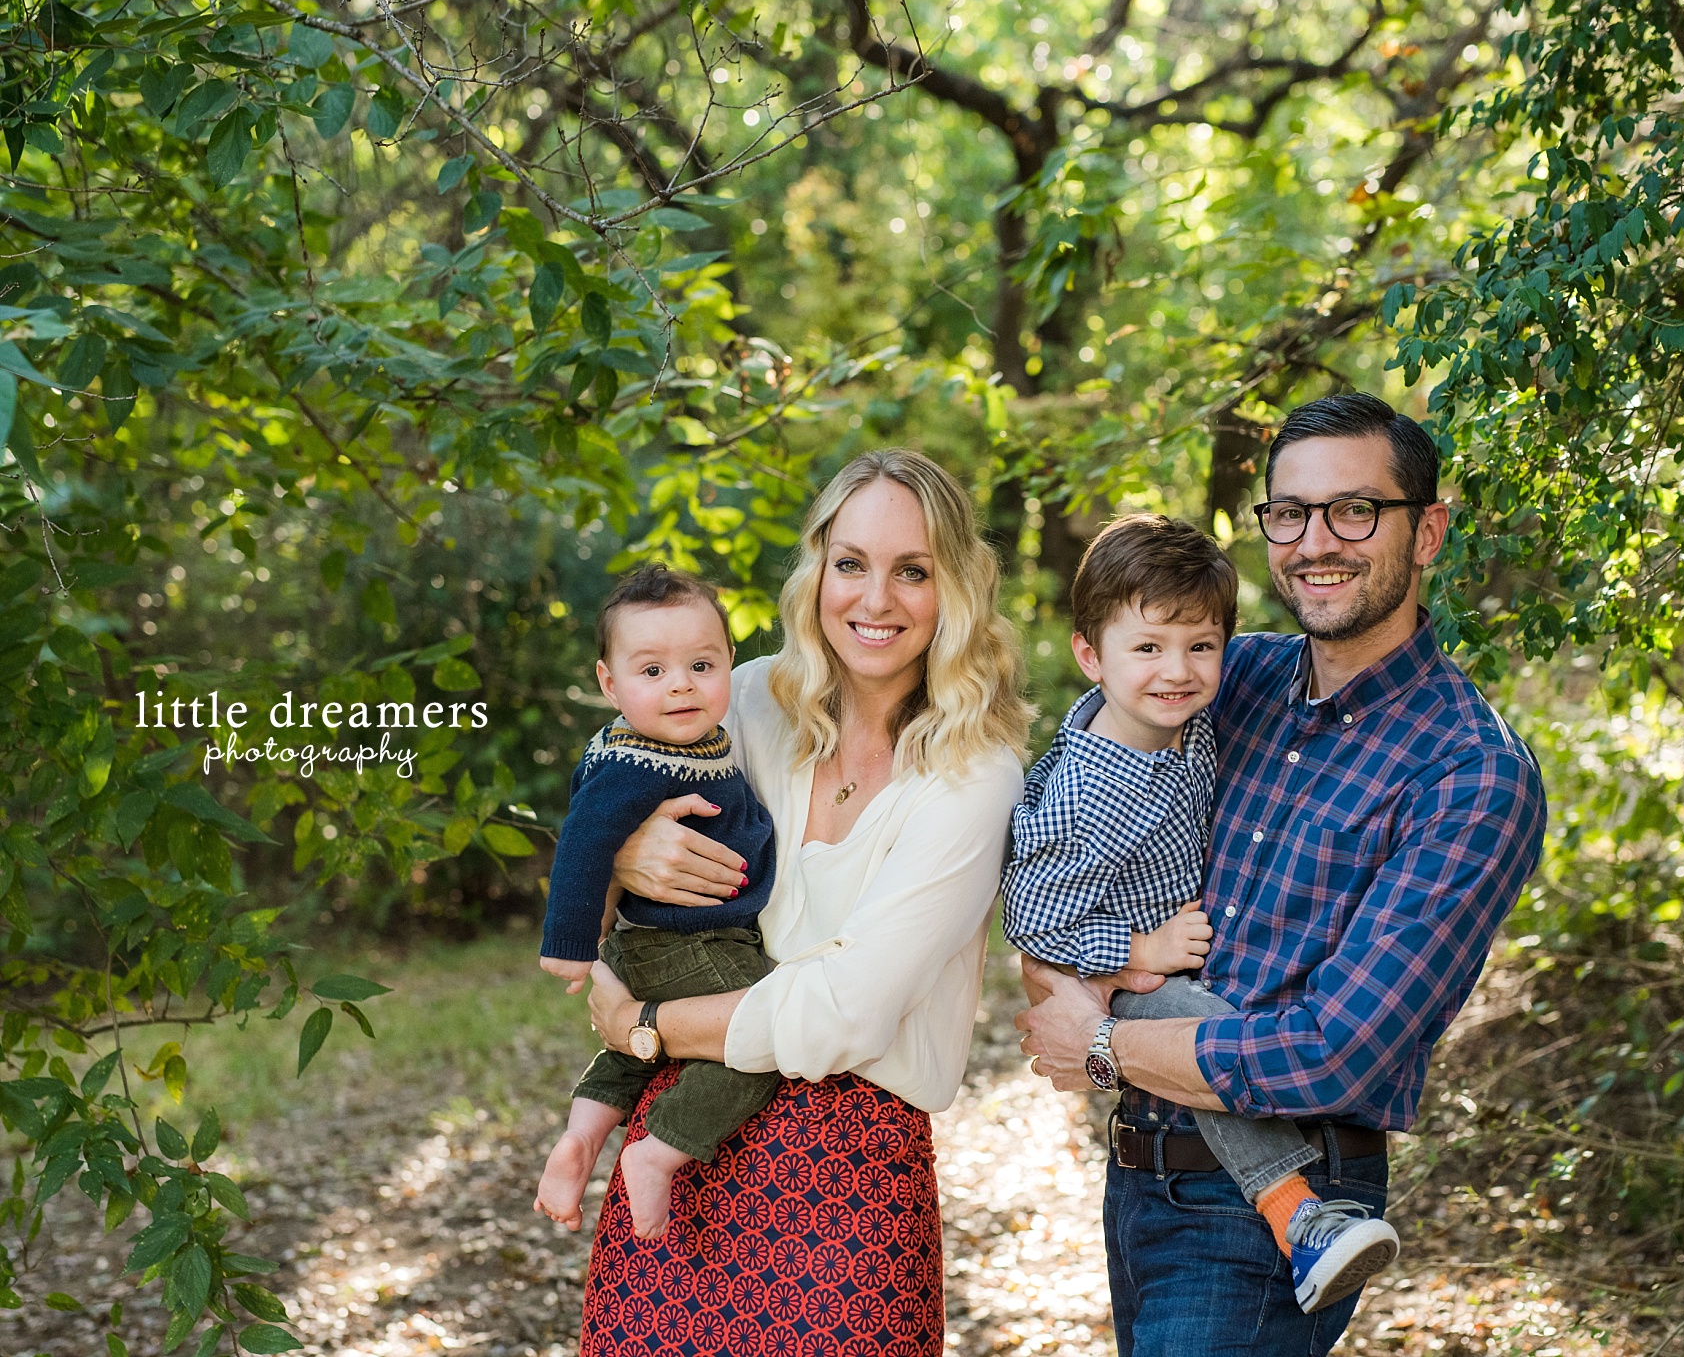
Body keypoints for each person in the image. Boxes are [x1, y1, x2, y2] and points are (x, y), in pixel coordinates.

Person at [1016, 393, 1548, 1356]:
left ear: (1427, 530)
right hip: (1141, 1173)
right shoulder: (1229, 679)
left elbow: (1334, 1051)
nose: (1316, 541)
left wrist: (1096, 1039)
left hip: (1284, 1196)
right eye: (1290, 513)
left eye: (1355, 510)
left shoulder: (1471, 772)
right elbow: (1072, 815)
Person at [575, 449, 1031, 1357]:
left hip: (851, 1174)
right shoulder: (746, 700)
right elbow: (603, 805)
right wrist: (623, 849)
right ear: (817, 568)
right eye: (852, 563)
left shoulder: (977, 773)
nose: (876, 598)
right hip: (682, 1147)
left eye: (914, 571)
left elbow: (847, 1009)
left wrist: (646, 1023)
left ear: (955, 591)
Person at [1000, 514, 1400, 1313]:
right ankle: (1298, 1213)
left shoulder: (1182, 729)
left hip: (1154, 968)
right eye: (1146, 648)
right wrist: (1134, 952)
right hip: (1136, 974)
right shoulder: (1090, 790)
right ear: (1091, 654)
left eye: (1200, 646)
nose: (1176, 670)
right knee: (1208, 1032)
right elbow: (1032, 919)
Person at [530, 565, 780, 1241]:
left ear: (731, 660)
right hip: (686, 940)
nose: (680, 684)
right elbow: (584, 840)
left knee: (628, 1052)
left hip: (664, 938)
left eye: (701, 664)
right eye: (652, 671)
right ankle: (658, 1149)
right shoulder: (635, 760)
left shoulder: (685, 739)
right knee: (762, 1031)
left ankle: (581, 1139)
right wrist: (570, 943)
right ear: (609, 682)